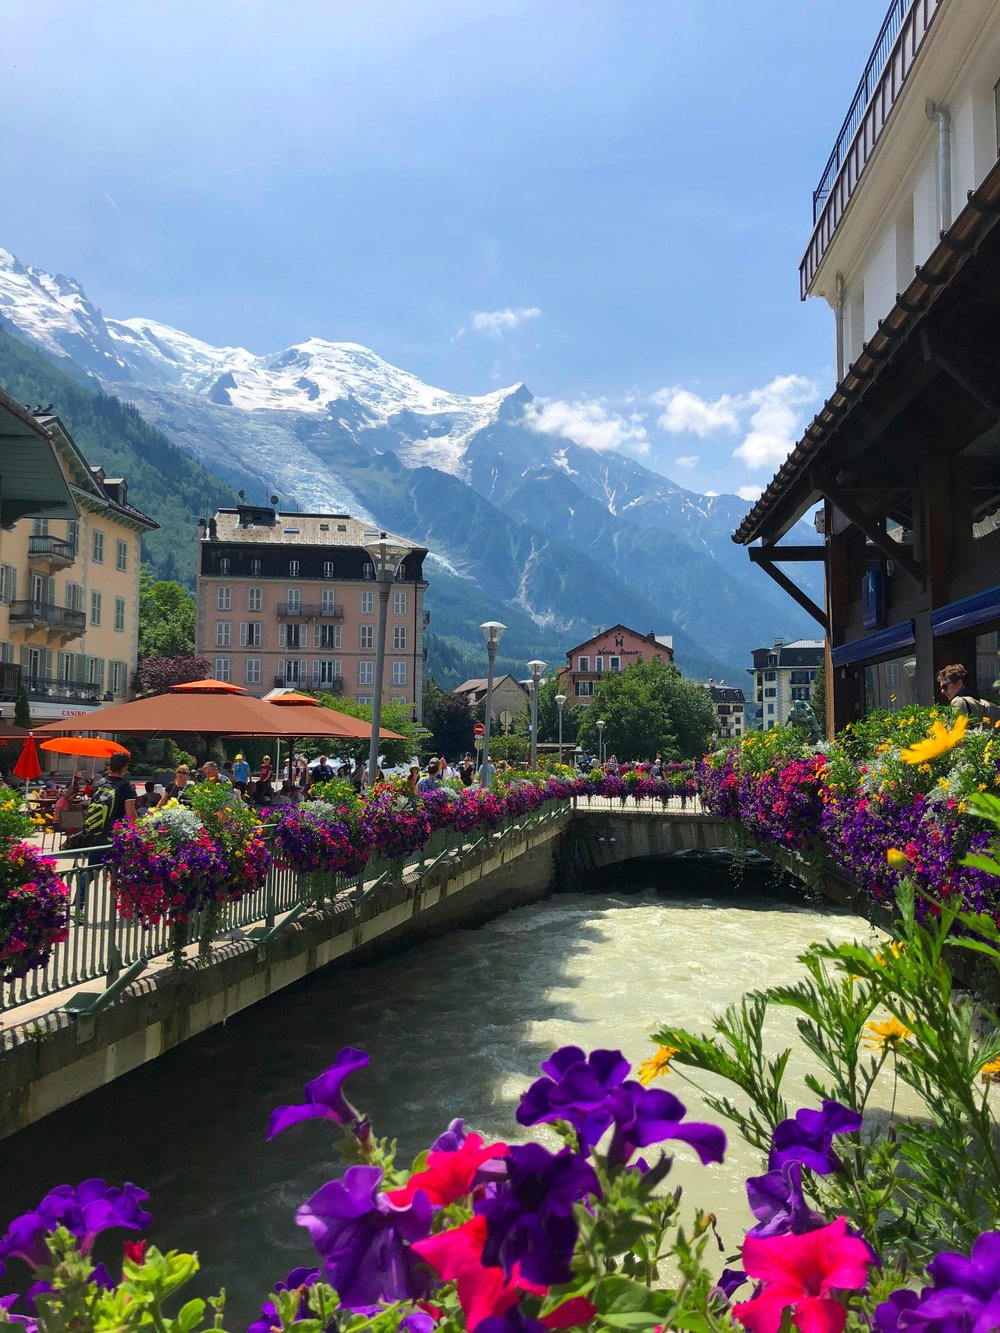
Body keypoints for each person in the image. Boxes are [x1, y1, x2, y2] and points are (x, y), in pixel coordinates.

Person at [76, 753, 138, 917]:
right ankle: (124, 910)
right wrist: (138, 831)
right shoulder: (126, 787)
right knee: (123, 875)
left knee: (90, 872)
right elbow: (130, 814)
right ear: (125, 767)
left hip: (97, 835)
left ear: (110, 766)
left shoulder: (100, 784)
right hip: (117, 837)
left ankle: (78, 906)